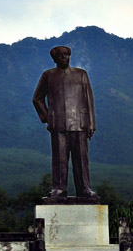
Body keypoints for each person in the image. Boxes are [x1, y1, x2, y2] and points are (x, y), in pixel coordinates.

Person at [32, 45, 97, 198]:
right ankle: (59, 188)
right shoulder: (48, 75)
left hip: (79, 124)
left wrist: (92, 124)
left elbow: (89, 101)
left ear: (69, 56)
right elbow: (37, 98)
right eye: (60, 56)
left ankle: (84, 188)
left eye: (66, 55)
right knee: (59, 159)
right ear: (54, 59)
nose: (63, 58)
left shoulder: (81, 74)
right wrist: (48, 117)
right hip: (58, 125)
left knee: (81, 159)